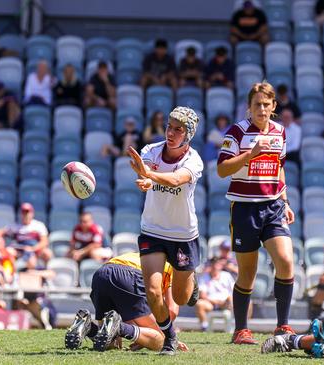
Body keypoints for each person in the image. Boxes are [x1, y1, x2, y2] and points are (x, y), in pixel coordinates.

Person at [217, 82, 296, 344]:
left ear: (274, 106)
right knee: (247, 274)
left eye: (266, 104)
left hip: (273, 206)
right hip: (244, 208)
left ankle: (283, 326)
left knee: (285, 261)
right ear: (249, 108)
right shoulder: (236, 132)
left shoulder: (280, 132)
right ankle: (241, 330)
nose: (261, 108)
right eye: (256, 104)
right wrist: (250, 155)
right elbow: (222, 169)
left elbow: (279, 167)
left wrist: (285, 200)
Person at [127, 106, 203, 355]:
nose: (171, 132)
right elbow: (147, 174)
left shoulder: (193, 160)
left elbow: (176, 179)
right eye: (170, 127)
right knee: (152, 290)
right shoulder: (151, 150)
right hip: (153, 230)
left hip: (183, 234)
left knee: (181, 298)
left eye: (178, 129)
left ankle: (191, 280)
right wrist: (146, 179)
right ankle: (169, 336)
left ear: (188, 134)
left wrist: (149, 175)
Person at [64, 252, 189, 353]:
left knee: (110, 343)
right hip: (129, 275)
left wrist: (141, 336)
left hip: (102, 273)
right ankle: (119, 327)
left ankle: (89, 327)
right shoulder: (173, 268)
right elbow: (172, 310)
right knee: (160, 341)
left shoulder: (146, 255)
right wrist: (169, 337)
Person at [0, 203, 52, 270]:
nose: (26, 215)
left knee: (47, 253)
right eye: (24, 213)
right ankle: (12, 272)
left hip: (35, 248)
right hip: (20, 249)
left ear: (32, 213)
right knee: (9, 251)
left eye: (28, 212)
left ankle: (46, 270)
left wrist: (33, 248)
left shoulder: (39, 225)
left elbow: (44, 241)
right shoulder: (15, 226)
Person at [195, 257, 235, 331]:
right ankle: (205, 327)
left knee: (234, 300)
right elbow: (202, 295)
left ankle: (237, 327)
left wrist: (226, 301)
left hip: (226, 303)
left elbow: (234, 291)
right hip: (211, 304)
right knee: (199, 304)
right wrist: (216, 302)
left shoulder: (227, 276)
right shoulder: (204, 277)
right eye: (213, 264)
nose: (215, 266)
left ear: (220, 265)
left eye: (217, 264)